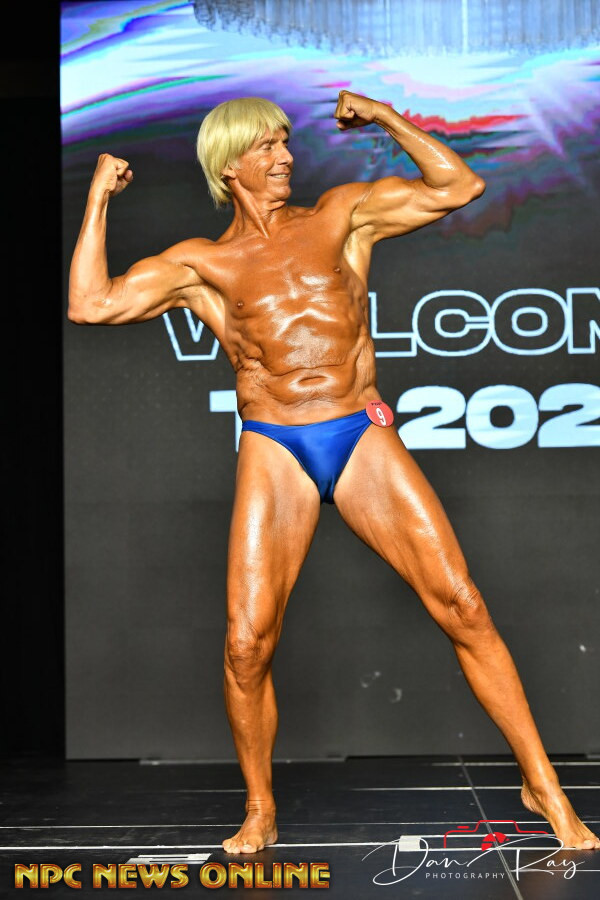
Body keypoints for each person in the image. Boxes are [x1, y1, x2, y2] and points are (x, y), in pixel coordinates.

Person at [68, 91, 599, 854]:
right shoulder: (202, 264)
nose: (286, 157)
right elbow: (90, 304)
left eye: (286, 143)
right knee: (246, 644)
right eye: (268, 147)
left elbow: (459, 186)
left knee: (462, 602)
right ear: (230, 165)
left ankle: (542, 783)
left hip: (355, 428)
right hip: (274, 443)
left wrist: (384, 117)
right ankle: (260, 809)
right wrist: (97, 199)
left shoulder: (339, 215)